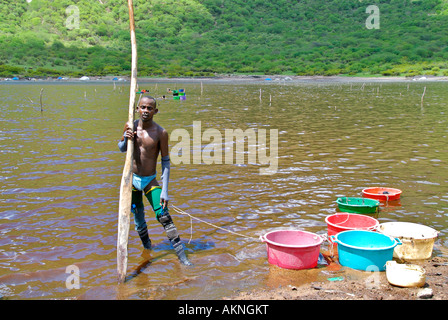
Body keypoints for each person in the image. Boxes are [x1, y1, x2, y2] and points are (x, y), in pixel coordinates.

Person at [118, 96, 192, 266]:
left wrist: (165, 190)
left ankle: (182, 257)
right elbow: (121, 149)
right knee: (138, 218)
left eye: (149, 108)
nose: (145, 111)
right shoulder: (131, 126)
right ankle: (148, 249)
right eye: (143, 107)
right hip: (132, 180)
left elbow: (165, 161)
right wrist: (124, 136)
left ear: (155, 111)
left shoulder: (160, 133)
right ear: (137, 109)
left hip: (149, 179)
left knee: (164, 216)